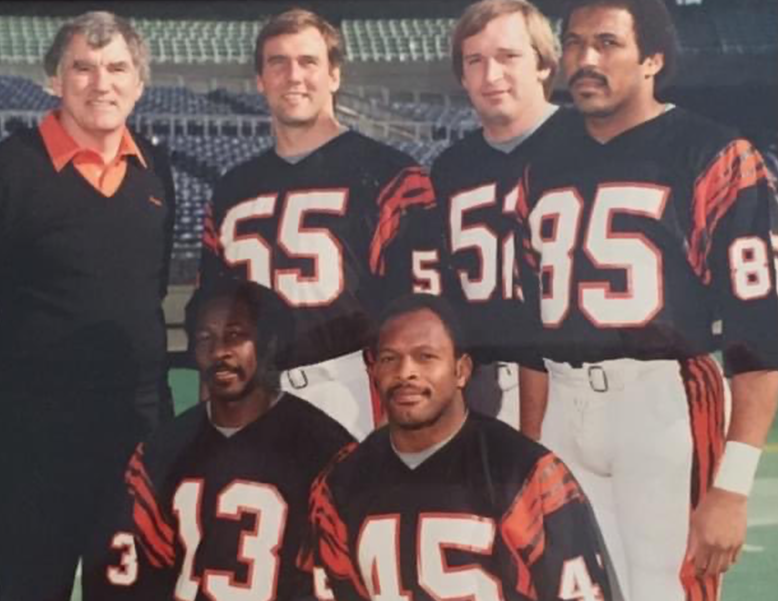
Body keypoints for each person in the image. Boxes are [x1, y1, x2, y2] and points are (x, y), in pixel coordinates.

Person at [515, 1, 778, 600]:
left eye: (607, 43)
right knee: (568, 590)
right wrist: (532, 452)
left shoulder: (713, 155)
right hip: (563, 403)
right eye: (576, 43)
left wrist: (732, 487)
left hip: (662, 406)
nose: (585, 59)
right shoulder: (542, 164)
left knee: (664, 589)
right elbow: (533, 331)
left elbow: (759, 335)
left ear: (654, 58)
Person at [0, 11, 175, 601]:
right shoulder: (1, 173)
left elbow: (149, 289)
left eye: (117, 68)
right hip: (33, 450)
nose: (100, 83)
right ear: (53, 81)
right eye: (82, 68)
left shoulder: (155, 174)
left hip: (135, 442)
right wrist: (7, 388)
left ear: (139, 83)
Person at [199, 8, 437, 441]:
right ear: (260, 80)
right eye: (278, 62)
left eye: (308, 62)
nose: (293, 76)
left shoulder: (391, 173)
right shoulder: (232, 188)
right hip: (253, 393)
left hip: (349, 391)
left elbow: (419, 312)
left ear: (334, 75)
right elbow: (213, 318)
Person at [308, 294, 620, 601]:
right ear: (374, 371)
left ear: (461, 370)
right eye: (390, 358)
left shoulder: (524, 474)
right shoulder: (342, 482)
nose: (405, 373)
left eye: (425, 356)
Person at [103, 279, 354, 600]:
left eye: (235, 335)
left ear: (270, 342)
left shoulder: (323, 450)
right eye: (205, 338)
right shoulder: (163, 451)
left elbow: (343, 575)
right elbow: (136, 573)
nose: (219, 351)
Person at [430, 0, 566, 429]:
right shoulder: (451, 167)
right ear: (463, 75)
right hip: (482, 387)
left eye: (508, 57)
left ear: (543, 64)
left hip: (573, 384)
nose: (491, 76)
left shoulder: (589, 145)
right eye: (475, 61)